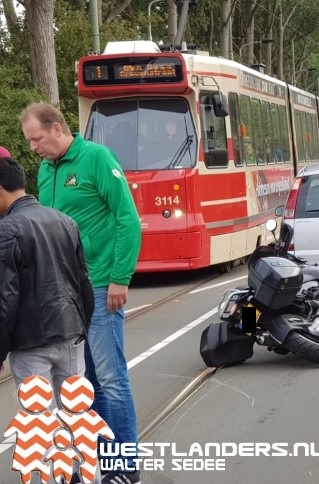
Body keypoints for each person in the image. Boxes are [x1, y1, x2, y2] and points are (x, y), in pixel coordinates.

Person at [21, 103, 143, 484]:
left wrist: (121, 277)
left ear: (56, 128)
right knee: (85, 383)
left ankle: (124, 466)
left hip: (104, 283)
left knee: (110, 378)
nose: (33, 148)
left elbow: (127, 217)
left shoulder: (96, 158)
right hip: (70, 291)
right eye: (28, 142)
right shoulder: (46, 169)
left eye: (36, 139)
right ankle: (104, 463)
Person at [0, 154, 93, 411]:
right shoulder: (65, 221)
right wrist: (81, 328)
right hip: (71, 335)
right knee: (76, 415)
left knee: (39, 422)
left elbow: (6, 298)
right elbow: (84, 282)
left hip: (30, 342)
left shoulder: (7, 230)